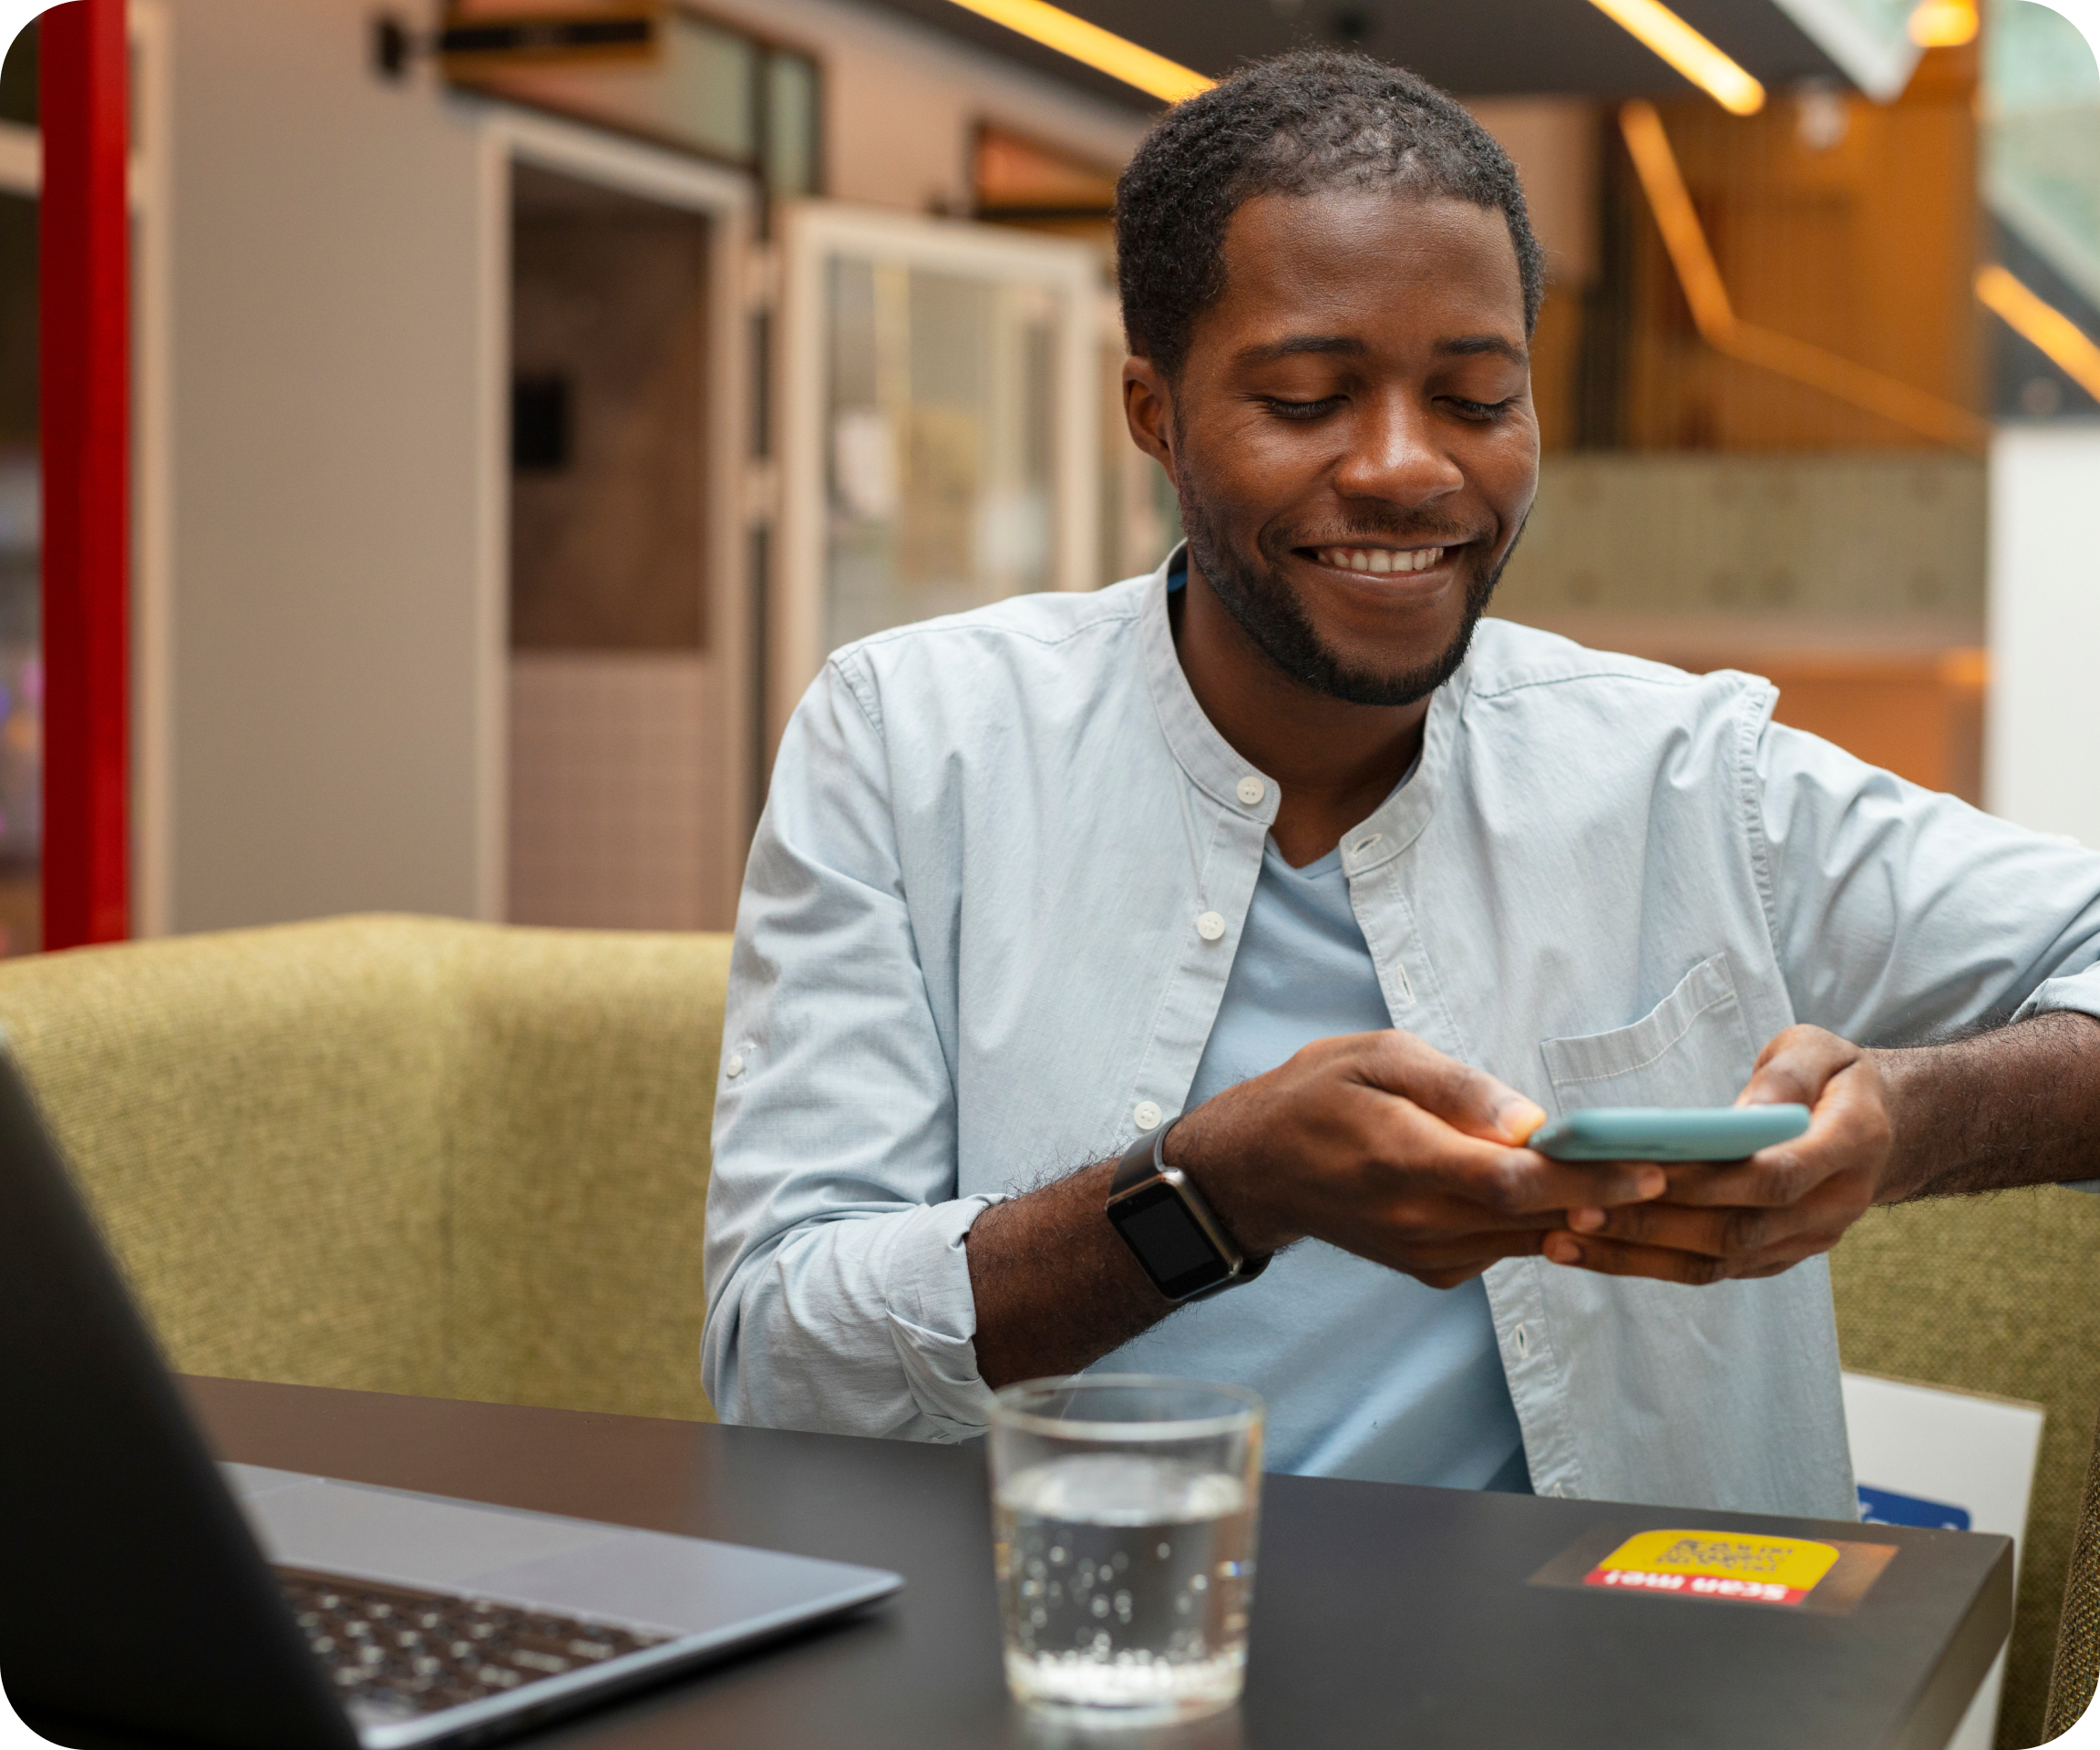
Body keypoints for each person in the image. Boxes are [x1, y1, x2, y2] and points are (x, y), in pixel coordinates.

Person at [702, 51, 2100, 1517]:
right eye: (1308, 397)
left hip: (1618, 1680)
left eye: (1477, 398)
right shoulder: (911, 743)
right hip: (1081, 1655)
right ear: (1153, 413)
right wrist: (1213, 1192)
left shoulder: (1690, 778)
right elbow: (779, 1354)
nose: (1403, 468)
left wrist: (1904, 1125)